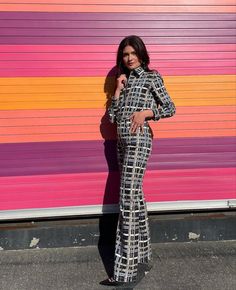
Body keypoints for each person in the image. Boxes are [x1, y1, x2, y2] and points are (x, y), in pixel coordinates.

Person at [101, 35, 176, 287]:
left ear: (141, 54)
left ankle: (125, 271)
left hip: (139, 142)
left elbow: (169, 107)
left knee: (127, 199)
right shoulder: (123, 81)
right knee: (135, 196)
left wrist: (147, 112)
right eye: (125, 54)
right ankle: (143, 257)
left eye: (133, 53)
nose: (129, 58)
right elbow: (112, 117)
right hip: (122, 144)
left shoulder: (152, 77)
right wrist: (118, 90)